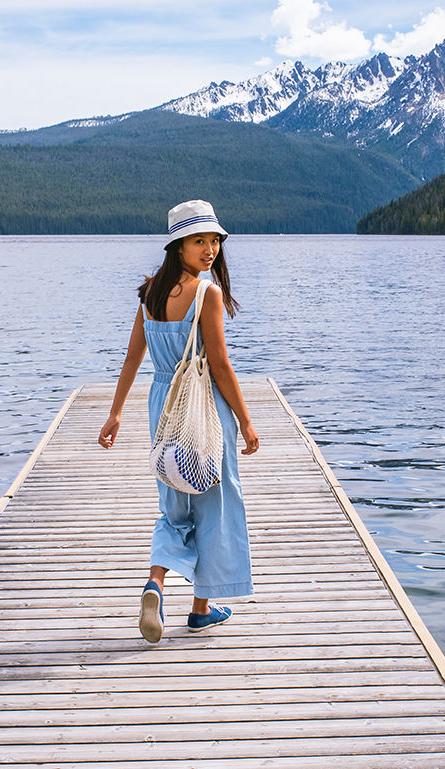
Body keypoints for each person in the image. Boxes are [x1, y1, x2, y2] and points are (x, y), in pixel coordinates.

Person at [98, 200, 259, 643]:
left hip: (161, 407)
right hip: (201, 406)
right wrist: (246, 421)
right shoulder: (207, 294)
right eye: (198, 241)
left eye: (214, 241)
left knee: (174, 503)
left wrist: (115, 414)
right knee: (213, 501)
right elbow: (221, 366)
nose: (209, 250)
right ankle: (200, 610)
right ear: (178, 246)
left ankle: (156, 584)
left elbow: (134, 357)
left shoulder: (149, 293)